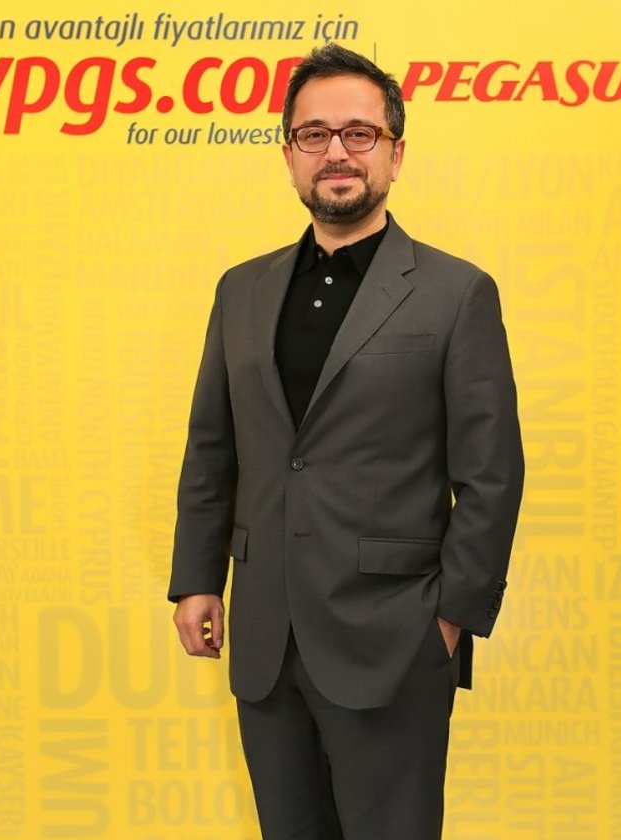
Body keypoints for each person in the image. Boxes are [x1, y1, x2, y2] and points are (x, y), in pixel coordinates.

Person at [168, 43, 525, 840]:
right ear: (288, 154)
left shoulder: (455, 292)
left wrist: (448, 621)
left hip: (394, 637)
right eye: (313, 134)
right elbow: (212, 449)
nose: (336, 151)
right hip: (265, 634)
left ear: (395, 154)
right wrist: (196, 579)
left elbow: (491, 474)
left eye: (359, 134)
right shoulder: (241, 289)